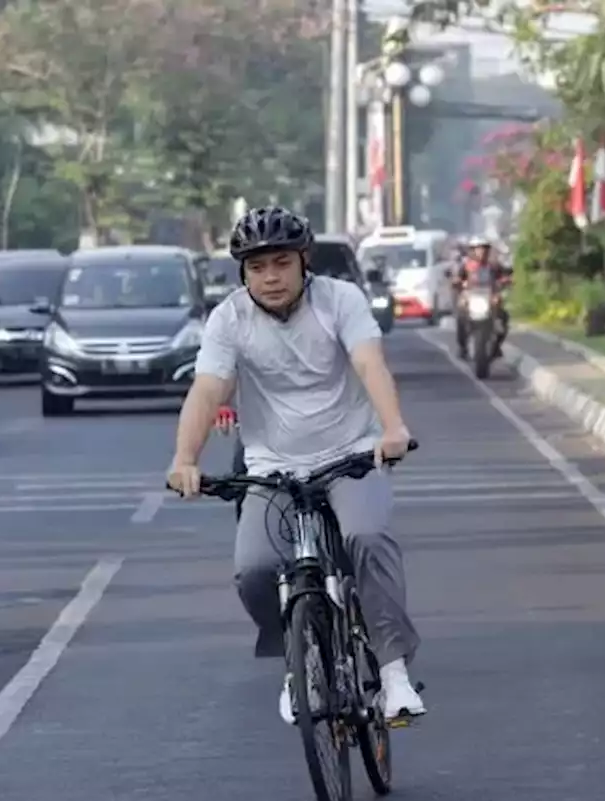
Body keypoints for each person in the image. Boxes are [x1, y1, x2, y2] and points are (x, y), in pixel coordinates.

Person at [166, 206, 425, 724]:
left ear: (303, 261)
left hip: (352, 453)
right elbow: (208, 389)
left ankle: (393, 673)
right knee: (255, 570)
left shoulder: (340, 300)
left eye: (281, 263)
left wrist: (393, 428)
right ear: (242, 271)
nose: (270, 277)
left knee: (367, 538)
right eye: (257, 267)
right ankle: (298, 665)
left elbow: (369, 363)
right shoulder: (229, 319)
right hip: (272, 465)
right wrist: (185, 458)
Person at [452, 236, 511, 360]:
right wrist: (458, 282)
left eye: (484, 249)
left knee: (503, 316)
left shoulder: (493, 266)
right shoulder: (466, 266)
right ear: (472, 251)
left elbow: (505, 274)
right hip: (471, 296)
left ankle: (496, 346)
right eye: (478, 249)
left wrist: (505, 280)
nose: (481, 252)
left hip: (489, 296)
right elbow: (457, 278)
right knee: (461, 315)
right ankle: (462, 346)